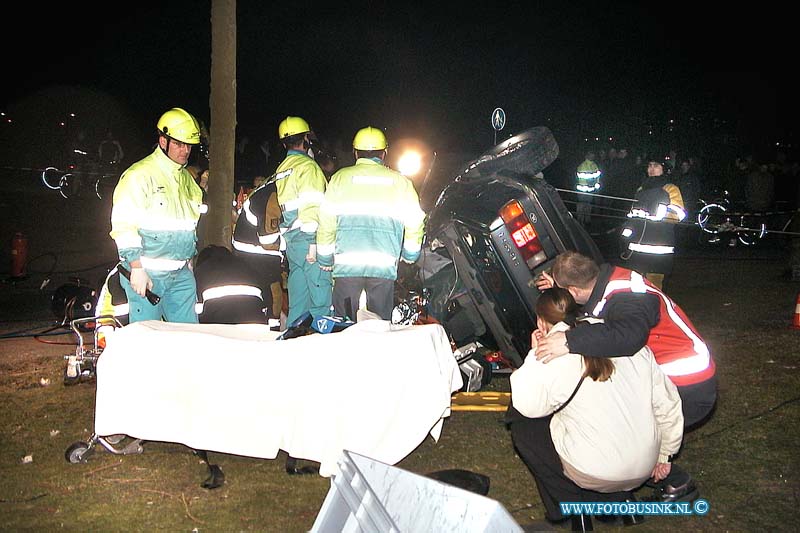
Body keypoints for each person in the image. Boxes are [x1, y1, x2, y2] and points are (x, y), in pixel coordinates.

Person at [534, 251, 717, 503]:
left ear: (574, 290)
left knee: (626, 435)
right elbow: (592, 308)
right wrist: (558, 287)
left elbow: (627, 337)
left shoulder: (630, 299)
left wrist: (567, 340)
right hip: (669, 375)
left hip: (686, 382)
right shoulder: (606, 281)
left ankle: (676, 482)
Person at [508, 288, 683, 530]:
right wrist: (665, 453)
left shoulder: (553, 354)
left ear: (540, 321)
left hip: (595, 471)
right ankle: (618, 501)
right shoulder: (625, 340)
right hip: (645, 466)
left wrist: (533, 354)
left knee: (522, 423)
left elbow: (526, 404)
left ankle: (572, 505)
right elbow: (667, 403)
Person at [317, 126, 425, 320]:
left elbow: (326, 220)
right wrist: (410, 255)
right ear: (384, 153)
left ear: (355, 152)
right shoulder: (401, 182)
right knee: (380, 326)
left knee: (344, 324)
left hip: (347, 266)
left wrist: (325, 258)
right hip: (383, 265)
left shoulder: (340, 178)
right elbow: (415, 220)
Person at [109, 107, 204, 323]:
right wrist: (136, 268)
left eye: (188, 145)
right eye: (179, 144)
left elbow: (188, 227)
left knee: (188, 339)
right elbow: (124, 225)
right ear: (163, 141)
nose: (185, 150)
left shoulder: (188, 182)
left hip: (181, 275)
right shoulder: (139, 176)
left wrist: (188, 262)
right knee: (147, 342)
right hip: (148, 274)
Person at [274, 116, 332, 324]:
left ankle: (294, 338)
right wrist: (315, 243)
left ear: (284, 143)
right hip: (310, 241)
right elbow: (312, 205)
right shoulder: (308, 168)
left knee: (298, 301)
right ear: (306, 139)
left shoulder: (281, 169)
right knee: (321, 299)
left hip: (293, 243)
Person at [618, 157, 686, 291]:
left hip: (658, 249)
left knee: (654, 288)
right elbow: (633, 214)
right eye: (649, 165)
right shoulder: (641, 189)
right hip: (637, 248)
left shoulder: (670, 189)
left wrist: (658, 212)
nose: (652, 169)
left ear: (664, 169)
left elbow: (678, 214)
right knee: (636, 286)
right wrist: (626, 232)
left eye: (656, 165)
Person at [231, 174, 285, 322]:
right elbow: (268, 239)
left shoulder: (266, 191)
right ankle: (271, 327)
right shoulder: (272, 195)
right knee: (273, 295)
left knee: (259, 296)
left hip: (248, 255)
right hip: (259, 256)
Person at [193, 245, 269, 324]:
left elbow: (197, 311)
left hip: (218, 328)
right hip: (254, 325)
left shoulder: (201, 272)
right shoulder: (249, 267)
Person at [574, 154, 601, 227]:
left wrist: (596, 186)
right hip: (582, 190)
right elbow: (582, 177)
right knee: (582, 205)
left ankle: (587, 221)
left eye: (593, 155)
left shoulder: (595, 165)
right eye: (591, 155)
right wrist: (592, 183)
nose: (592, 156)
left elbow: (598, 176)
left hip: (591, 190)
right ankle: (580, 221)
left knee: (588, 205)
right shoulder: (583, 165)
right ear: (586, 156)